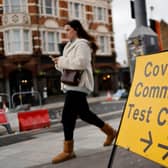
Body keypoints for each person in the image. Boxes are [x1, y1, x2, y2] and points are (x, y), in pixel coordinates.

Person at [51, 20, 117, 164]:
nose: (65, 32)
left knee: (67, 116)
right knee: (85, 114)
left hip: (79, 85)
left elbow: (80, 63)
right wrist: (58, 63)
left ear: (75, 29)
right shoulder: (68, 46)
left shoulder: (82, 44)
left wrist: (61, 61)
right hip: (71, 84)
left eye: (68, 29)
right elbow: (68, 66)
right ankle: (111, 132)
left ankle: (68, 151)